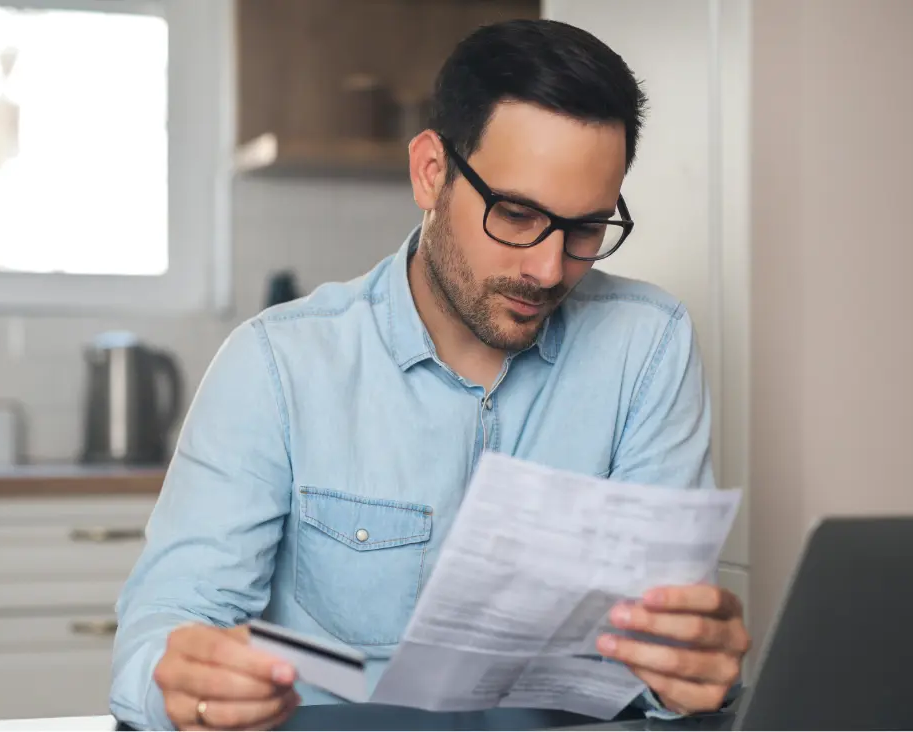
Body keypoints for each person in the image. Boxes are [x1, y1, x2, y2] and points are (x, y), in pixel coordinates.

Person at [110, 18, 750, 731]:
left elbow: (663, 658)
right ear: (431, 173)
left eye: (585, 230)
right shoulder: (276, 365)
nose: (547, 269)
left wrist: (693, 678)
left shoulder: (649, 347)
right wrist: (187, 684)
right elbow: (163, 630)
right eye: (516, 214)